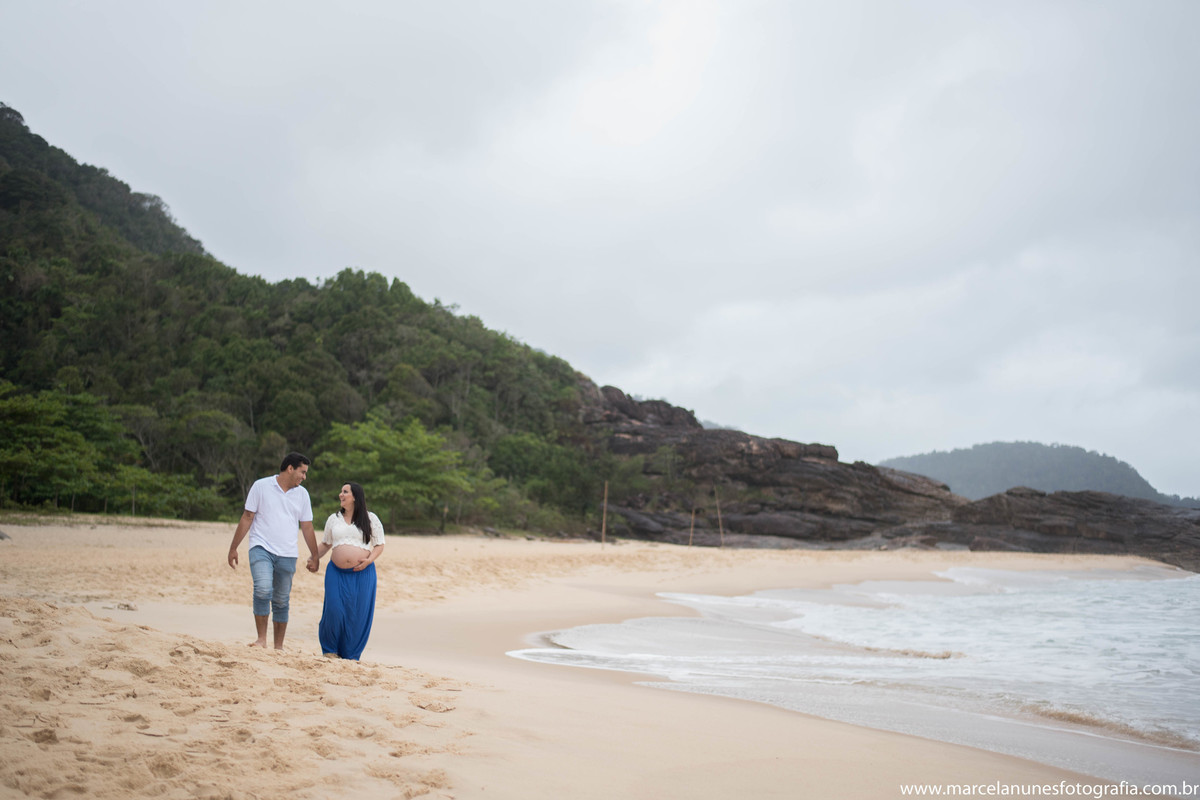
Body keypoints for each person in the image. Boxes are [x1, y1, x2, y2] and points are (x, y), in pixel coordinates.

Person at [227, 452, 319, 649]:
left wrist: (315, 554)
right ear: (290, 468)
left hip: (288, 553)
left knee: (281, 599)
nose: (304, 477)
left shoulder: (302, 494)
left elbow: (307, 526)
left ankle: (278, 646)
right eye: (302, 472)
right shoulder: (261, 486)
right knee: (262, 589)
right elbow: (247, 517)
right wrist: (233, 547)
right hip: (261, 547)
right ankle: (261, 639)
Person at [313, 482, 385, 660]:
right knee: (334, 609)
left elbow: (379, 544)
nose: (341, 495)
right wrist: (314, 557)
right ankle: (330, 650)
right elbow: (326, 543)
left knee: (357, 613)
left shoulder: (371, 519)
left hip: (363, 573)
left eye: (345, 492)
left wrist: (369, 560)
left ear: (355, 497)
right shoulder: (334, 519)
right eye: (341, 492)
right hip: (336, 572)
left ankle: (351, 655)